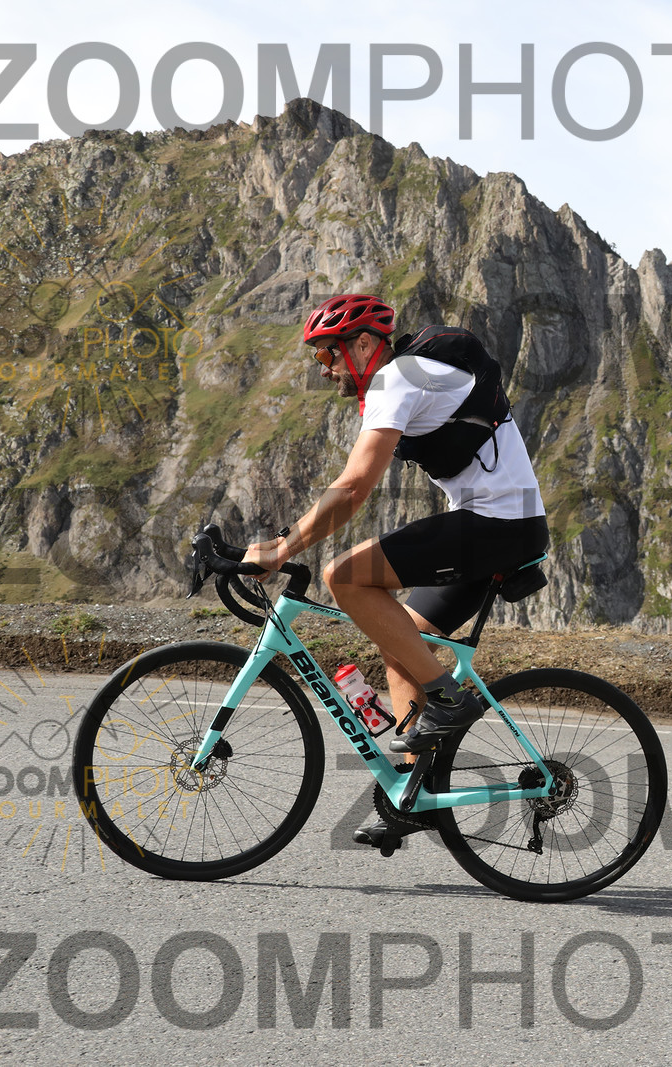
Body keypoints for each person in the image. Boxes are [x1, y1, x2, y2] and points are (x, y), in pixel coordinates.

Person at [243, 294, 549, 847]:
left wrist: (282, 548)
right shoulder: (407, 378)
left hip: (497, 524)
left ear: (364, 344)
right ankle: (413, 794)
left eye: (328, 354)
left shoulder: (397, 379)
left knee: (344, 576)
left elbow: (353, 488)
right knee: (400, 638)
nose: (324, 369)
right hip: (500, 522)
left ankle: (450, 702)